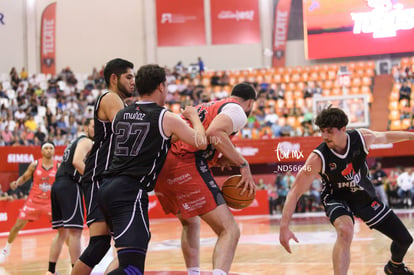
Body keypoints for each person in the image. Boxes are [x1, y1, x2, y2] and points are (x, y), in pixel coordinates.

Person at [98, 63, 207, 274]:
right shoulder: (165, 117)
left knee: (123, 259)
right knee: (132, 269)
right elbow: (200, 141)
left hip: (107, 188)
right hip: (130, 192)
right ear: (161, 87)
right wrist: (193, 117)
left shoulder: (122, 114)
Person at [279, 107, 414, 275]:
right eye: (322, 131)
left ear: (343, 129)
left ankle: (395, 266)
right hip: (336, 198)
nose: (325, 136)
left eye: (330, 131)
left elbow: (386, 136)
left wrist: (411, 136)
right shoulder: (318, 158)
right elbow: (294, 191)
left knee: (404, 240)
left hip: (363, 197)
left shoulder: (362, 138)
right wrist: (284, 226)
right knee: (345, 230)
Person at [154, 82, 257, 275]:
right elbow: (214, 132)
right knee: (230, 230)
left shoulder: (208, 106)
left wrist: (215, 159)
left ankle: (193, 272)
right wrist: (243, 164)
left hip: (162, 166)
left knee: (190, 222)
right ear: (250, 102)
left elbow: (206, 136)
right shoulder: (237, 110)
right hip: (185, 163)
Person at [71, 58, 135, 275]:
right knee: (109, 244)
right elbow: (129, 133)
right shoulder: (110, 98)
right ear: (114, 78)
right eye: (129, 76)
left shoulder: (119, 101)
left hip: (106, 177)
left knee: (109, 244)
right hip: (100, 175)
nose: (133, 81)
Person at [47, 118, 94, 275]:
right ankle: (76, 270)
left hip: (57, 185)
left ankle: (50, 271)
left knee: (62, 233)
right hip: (69, 185)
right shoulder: (86, 141)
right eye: (94, 126)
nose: (97, 129)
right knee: (75, 232)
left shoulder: (74, 142)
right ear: (86, 127)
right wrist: (92, 179)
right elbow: (76, 162)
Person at [0, 142, 59, 263]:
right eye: (46, 148)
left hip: (49, 202)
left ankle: (72, 254)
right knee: (17, 226)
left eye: (51, 148)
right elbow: (25, 177)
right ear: (42, 151)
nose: (48, 150)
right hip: (33, 201)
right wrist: (17, 183)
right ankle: (6, 249)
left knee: (63, 229)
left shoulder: (58, 166)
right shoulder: (35, 164)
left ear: (54, 151)